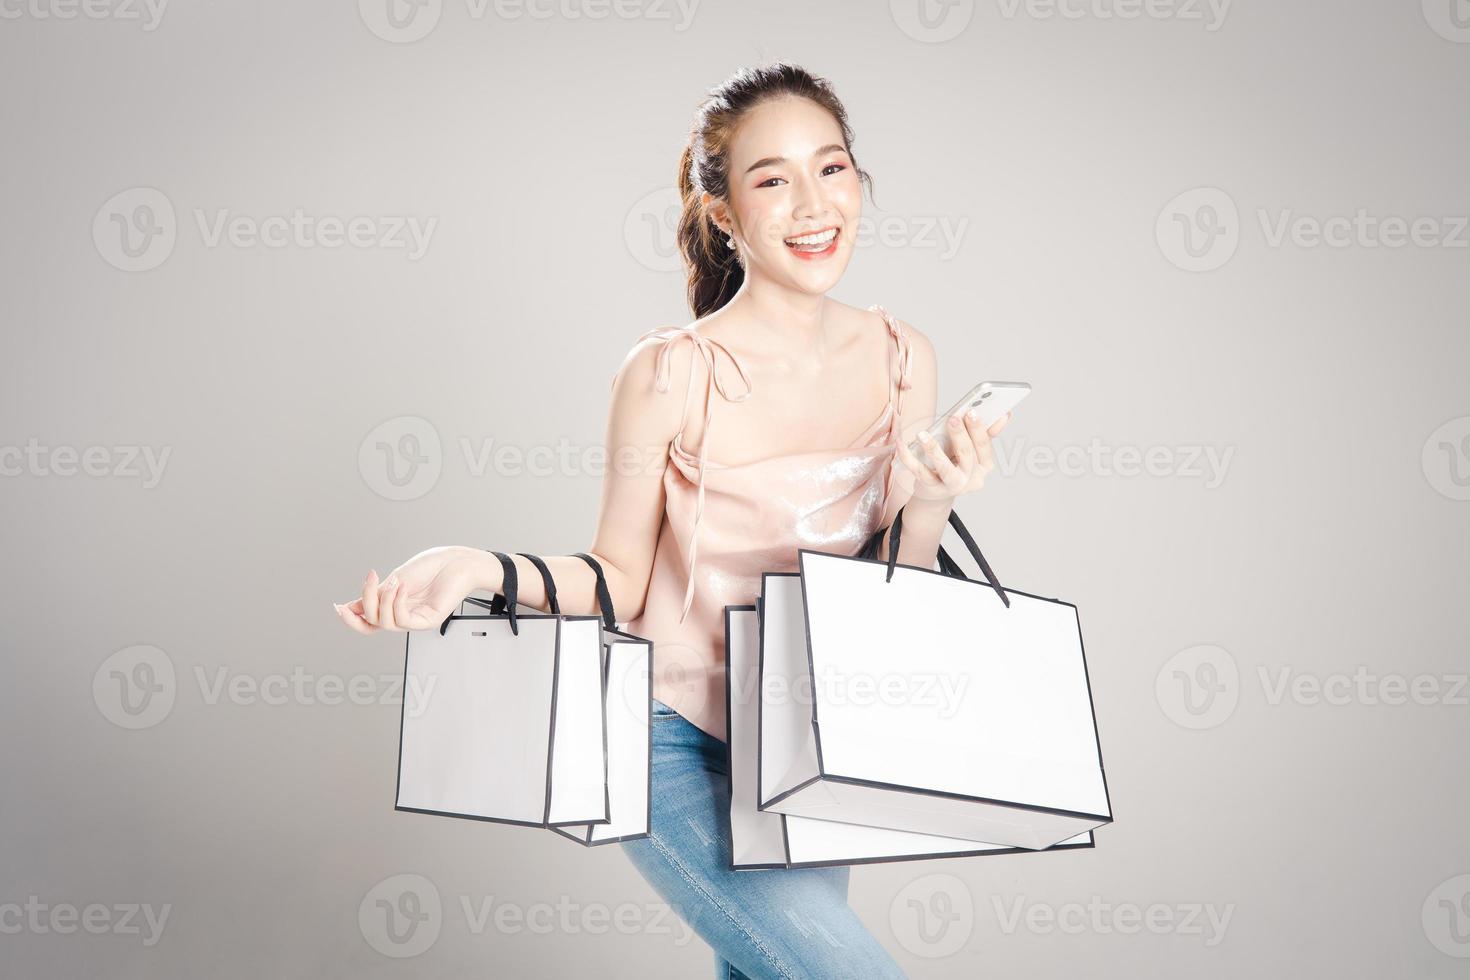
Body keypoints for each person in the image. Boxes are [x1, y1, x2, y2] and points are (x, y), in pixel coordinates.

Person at [334, 62, 1011, 980]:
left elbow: (889, 587)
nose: (813, 204)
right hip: (669, 737)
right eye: (772, 179)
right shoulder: (669, 373)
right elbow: (618, 580)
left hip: (813, 736)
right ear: (725, 213)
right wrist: (473, 566)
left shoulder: (901, 358)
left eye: (833, 168)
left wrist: (932, 495)